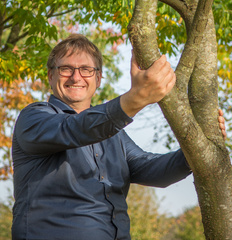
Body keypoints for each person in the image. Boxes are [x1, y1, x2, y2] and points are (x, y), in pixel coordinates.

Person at [12, 34, 226, 240]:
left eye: (86, 70)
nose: (76, 77)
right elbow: (74, 129)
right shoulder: (34, 117)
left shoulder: (114, 135)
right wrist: (136, 99)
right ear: (51, 75)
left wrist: (199, 146)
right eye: (66, 69)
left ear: (98, 78)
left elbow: (154, 170)